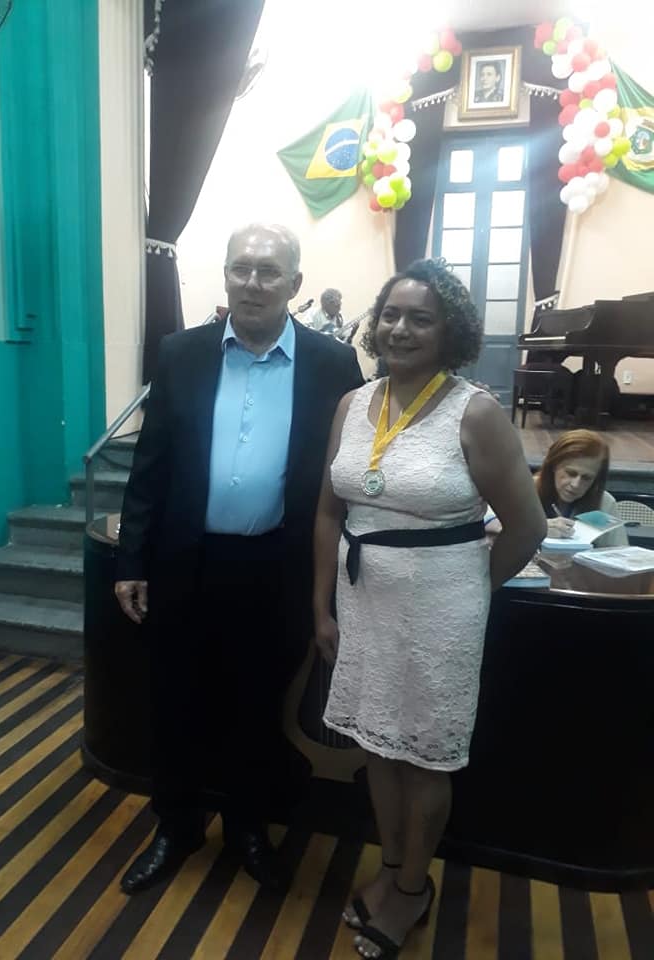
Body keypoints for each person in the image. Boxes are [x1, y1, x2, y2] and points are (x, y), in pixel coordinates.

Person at [114, 223, 363, 895]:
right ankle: (175, 826)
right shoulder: (181, 353)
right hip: (185, 563)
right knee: (175, 699)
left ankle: (249, 826)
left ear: (295, 284)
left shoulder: (332, 365)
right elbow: (150, 465)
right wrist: (131, 559)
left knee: (258, 706)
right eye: (240, 269)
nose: (252, 283)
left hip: (276, 569)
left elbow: (348, 475)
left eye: (268, 272)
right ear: (225, 275)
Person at [313, 259, 546, 959]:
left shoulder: (475, 411)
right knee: (377, 747)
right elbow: (329, 511)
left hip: (441, 611)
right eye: (390, 314)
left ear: (451, 332)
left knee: (424, 760)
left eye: (421, 318)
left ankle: (414, 888)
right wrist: (321, 606)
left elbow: (527, 526)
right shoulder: (353, 404)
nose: (400, 329)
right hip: (363, 601)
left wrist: (469, 590)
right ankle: (390, 869)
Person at [535, 429, 628, 546]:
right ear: (553, 465)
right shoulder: (524, 493)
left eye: (586, 478)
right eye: (570, 473)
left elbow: (620, 551)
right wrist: (536, 530)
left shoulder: (605, 503)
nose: (576, 484)